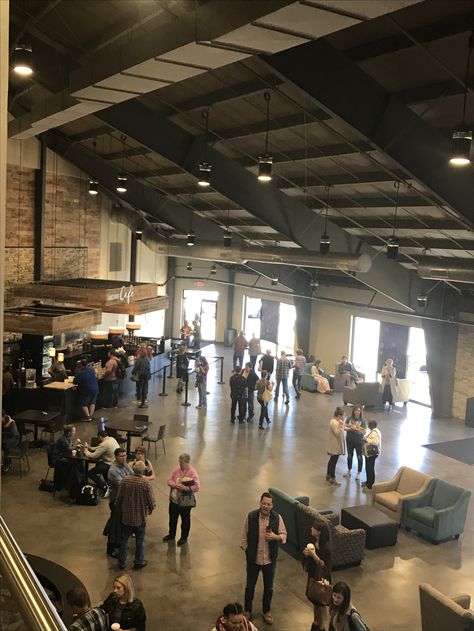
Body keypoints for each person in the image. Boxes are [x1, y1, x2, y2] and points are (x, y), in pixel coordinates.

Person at [241, 492, 287, 625]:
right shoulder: (251, 516)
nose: (266, 506)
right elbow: (244, 536)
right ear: (260, 503)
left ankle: (266, 611)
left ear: (272, 505)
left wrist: (275, 537)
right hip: (253, 560)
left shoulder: (277, 518)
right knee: (250, 586)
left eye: (268, 504)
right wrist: (248, 551)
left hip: (269, 560)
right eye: (264, 503)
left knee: (269, 587)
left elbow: (284, 535)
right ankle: (247, 611)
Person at [115, 460, 156, 570]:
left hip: (126, 517)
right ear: (143, 471)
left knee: (124, 540)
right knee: (140, 541)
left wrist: (117, 507)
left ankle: (122, 563)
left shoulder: (125, 480)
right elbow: (151, 501)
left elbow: (119, 498)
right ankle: (139, 561)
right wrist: (151, 509)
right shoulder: (145, 483)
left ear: (133, 469)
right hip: (140, 518)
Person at [163, 453, 200, 546]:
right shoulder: (177, 469)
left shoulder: (192, 472)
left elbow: (197, 486)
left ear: (187, 462)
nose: (180, 464)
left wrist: (185, 488)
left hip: (185, 502)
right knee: (172, 519)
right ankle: (171, 534)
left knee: (185, 520)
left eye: (182, 462)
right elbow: (169, 479)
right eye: (179, 462)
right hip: (174, 501)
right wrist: (175, 485)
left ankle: (184, 538)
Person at [303, 517, 332, 631]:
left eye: (314, 528)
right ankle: (316, 623)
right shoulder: (313, 542)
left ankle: (321, 626)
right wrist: (306, 555)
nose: (311, 528)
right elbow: (308, 563)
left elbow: (326, 567)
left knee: (321, 603)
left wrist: (313, 555)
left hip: (322, 579)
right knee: (315, 601)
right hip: (313, 576)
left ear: (319, 531)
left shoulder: (326, 548)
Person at [106, 447, 133, 558]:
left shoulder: (125, 465)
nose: (124, 457)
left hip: (124, 501)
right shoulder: (113, 470)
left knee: (121, 525)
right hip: (116, 501)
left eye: (125, 455)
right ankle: (111, 548)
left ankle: (120, 544)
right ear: (116, 457)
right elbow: (123, 485)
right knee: (115, 525)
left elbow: (132, 475)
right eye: (122, 456)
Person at [84, 430, 120, 498]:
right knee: (100, 466)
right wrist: (90, 448)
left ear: (100, 436)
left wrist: (86, 451)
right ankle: (109, 485)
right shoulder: (111, 439)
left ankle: (104, 487)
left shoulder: (104, 444)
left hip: (109, 464)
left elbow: (94, 456)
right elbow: (100, 448)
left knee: (90, 473)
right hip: (115, 463)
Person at [343, 404, 367, 482]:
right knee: (349, 456)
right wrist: (351, 428)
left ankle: (359, 472)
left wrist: (356, 429)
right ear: (353, 411)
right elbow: (345, 427)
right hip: (349, 440)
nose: (357, 412)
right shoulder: (349, 419)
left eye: (359, 411)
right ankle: (349, 470)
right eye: (356, 410)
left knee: (359, 457)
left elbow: (364, 432)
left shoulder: (362, 421)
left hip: (358, 442)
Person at [326, 407, 346, 486]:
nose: (344, 417)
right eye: (343, 416)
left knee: (332, 460)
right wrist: (341, 425)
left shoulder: (335, 421)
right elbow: (337, 433)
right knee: (333, 461)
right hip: (335, 446)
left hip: (334, 445)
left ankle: (328, 474)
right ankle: (332, 477)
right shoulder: (334, 422)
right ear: (339, 416)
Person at [362, 420, 382, 491]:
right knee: (368, 468)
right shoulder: (376, 431)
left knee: (370, 469)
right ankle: (368, 482)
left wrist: (366, 439)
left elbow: (375, 442)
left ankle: (370, 485)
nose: (368, 426)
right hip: (372, 454)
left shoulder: (374, 432)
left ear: (371, 425)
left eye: (369, 425)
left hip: (372, 454)